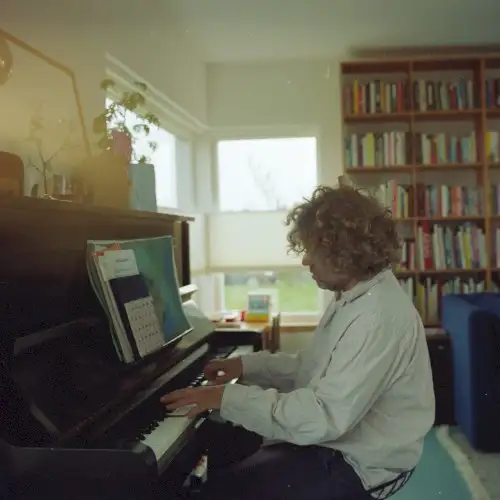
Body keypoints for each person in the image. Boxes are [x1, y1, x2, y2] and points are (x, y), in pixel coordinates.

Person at [161, 185, 435, 500]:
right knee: (222, 449)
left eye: (311, 250)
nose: (305, 261)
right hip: (338, 440)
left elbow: (323, 416)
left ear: (343, 251)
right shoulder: (354, 296)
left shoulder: (377, 316)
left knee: (219, 490)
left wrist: (225, 397)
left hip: (359, 461)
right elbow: (311, 367)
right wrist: (246, 366)